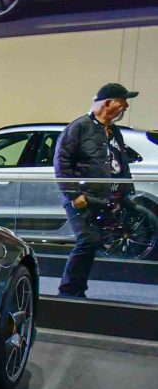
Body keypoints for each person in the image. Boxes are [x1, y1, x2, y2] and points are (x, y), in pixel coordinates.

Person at [55, 82, 140, 298]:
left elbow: (121, 162)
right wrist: (74, 194)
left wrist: (126, 192)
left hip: (106, 198)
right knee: (88, 240)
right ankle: (69, 292)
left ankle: (76, 289)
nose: (126, 106)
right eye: (122, 101)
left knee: (94, 243)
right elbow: (62, 163)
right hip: (83, 197)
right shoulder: (79, 127)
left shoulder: (114, 131)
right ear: (108, 103)